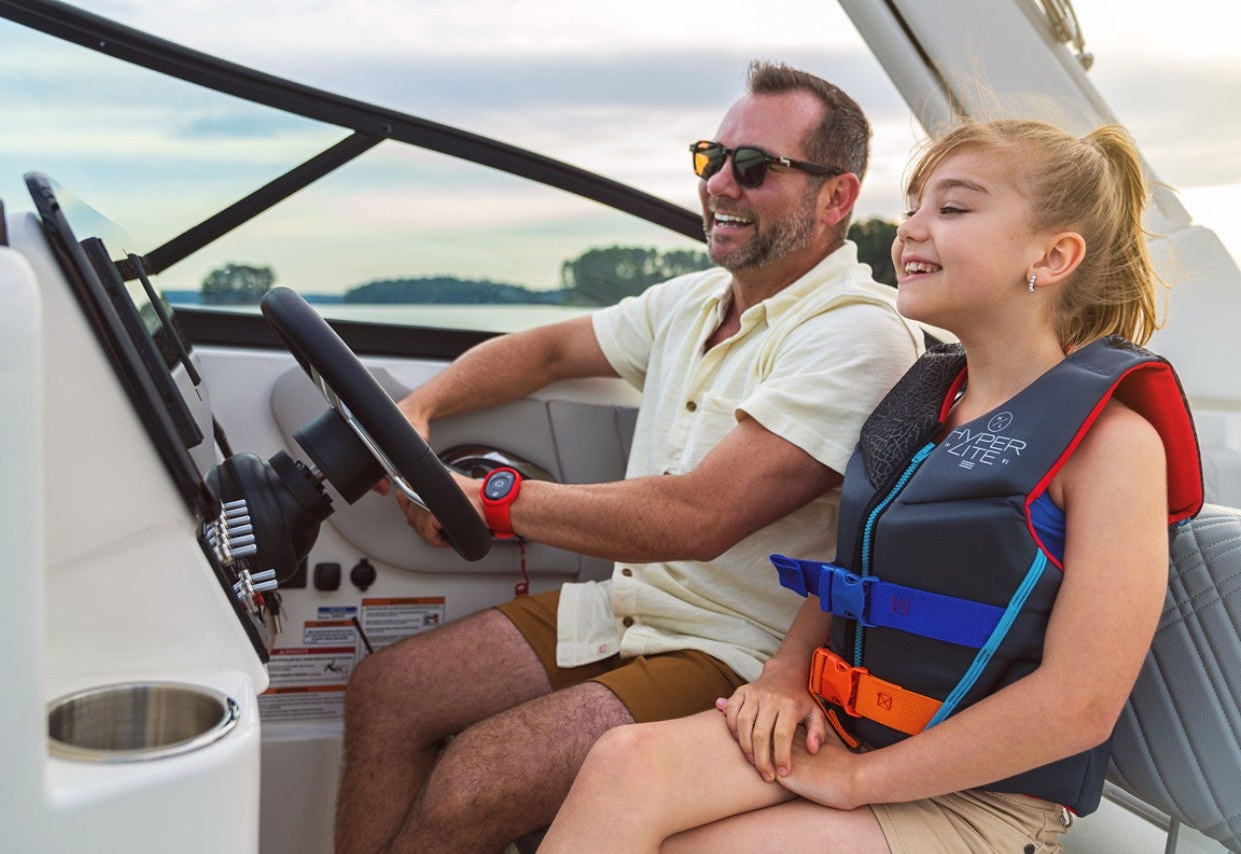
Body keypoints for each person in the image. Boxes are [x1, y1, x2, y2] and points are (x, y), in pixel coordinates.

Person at [540, 119, 1205, 853]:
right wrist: (786, 679)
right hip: (848, 727)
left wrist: (860, 783)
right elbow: (853, 576)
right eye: (913, 206)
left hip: (981, 801)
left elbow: (1079, 705)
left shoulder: (1115, 447)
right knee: (621, 763)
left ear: (1052, 257)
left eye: (951, 209)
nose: (909, 230)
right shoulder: (922, 403)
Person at [333, 60, 924, 854]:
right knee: (387, 692)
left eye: (754, 168)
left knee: (475, 777)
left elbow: (697, 518)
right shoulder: (691, 302)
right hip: (624, 611)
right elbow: (546, 350)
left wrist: (496, 501)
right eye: (711, 159)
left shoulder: (857, 335)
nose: (721, 185)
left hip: (735, 650)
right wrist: (421, 407)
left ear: (837, 197)